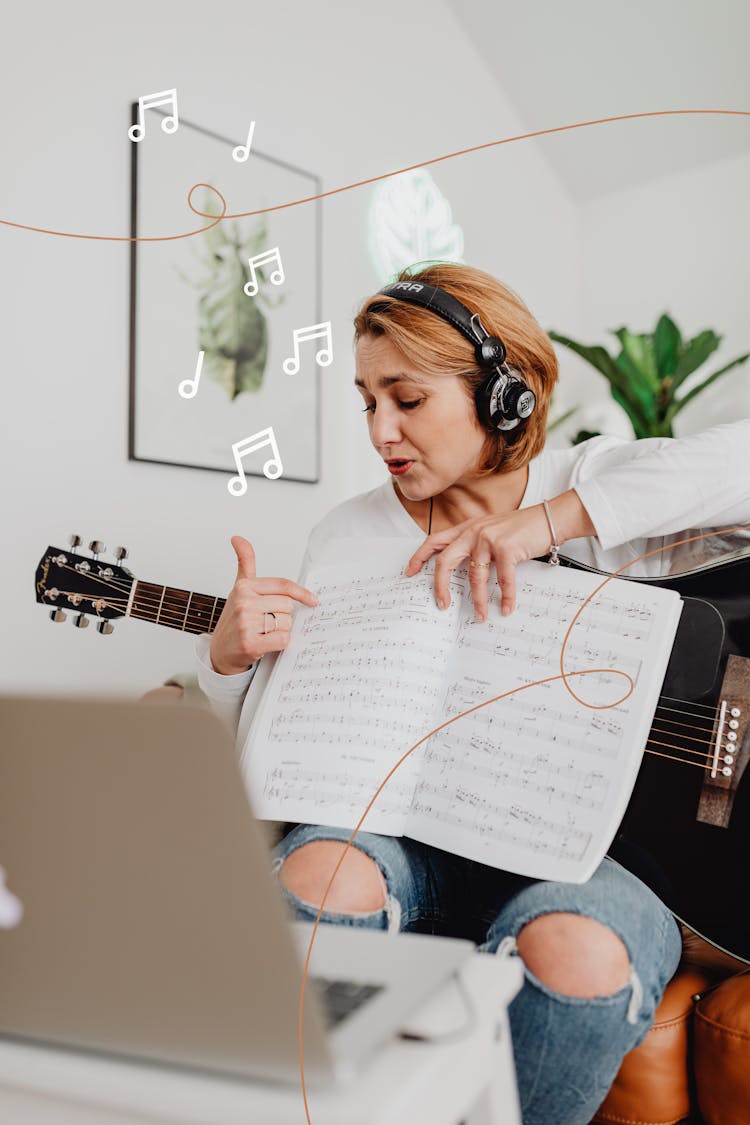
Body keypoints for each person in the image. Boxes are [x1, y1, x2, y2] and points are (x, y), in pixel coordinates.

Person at [196, 262, 750, 1125]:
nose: (381, 430)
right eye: (366, 400)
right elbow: (278, 774)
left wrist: (549, 521)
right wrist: (227, 668)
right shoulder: (345, 535)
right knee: (320, 873)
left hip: (599, 857)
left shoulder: (599, 479)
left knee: (578, 949)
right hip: (400, 838)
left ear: (505, 397)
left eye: (407, 399)